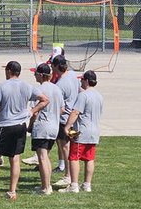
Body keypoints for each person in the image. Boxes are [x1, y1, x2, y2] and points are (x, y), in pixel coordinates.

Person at [0, 60, 40, 201]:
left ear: (8, 71)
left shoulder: (1, 86)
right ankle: (12, 191)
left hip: (5, 125)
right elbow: (44, 99)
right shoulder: (26, 85)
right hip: (20, 126)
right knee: (15, 158)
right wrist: (31, 111)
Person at [63, 70, 104, 193]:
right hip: (94, 131)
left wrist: (67, 126)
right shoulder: (99, 96)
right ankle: (87, 184)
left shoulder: (83, 95)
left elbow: (76, 112)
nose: (80, 81)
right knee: (89, 158)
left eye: (82, 79)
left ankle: (74, 185)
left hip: (82, 131)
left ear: (86, 80)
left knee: (74, 158)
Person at [29, 63, 65, 196]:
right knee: (46, 157)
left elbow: (34, 112)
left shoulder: (38, 90)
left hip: (42, 126)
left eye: (36, 73)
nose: (34, 76)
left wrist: (30, 125)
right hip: (54, 126)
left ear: (41, 75)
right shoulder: (57, 89)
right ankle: (47, 184)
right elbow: (62, 109)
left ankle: (45, 187)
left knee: (42, 157)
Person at [51, 54, 80, 183]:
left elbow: (59, 105)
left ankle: (68, 175)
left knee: (65, 147)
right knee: (71, 147)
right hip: (73, 117)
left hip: (64, 119)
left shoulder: (60, 85)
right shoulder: (73, 75)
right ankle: (70, 174)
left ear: (56, 66)